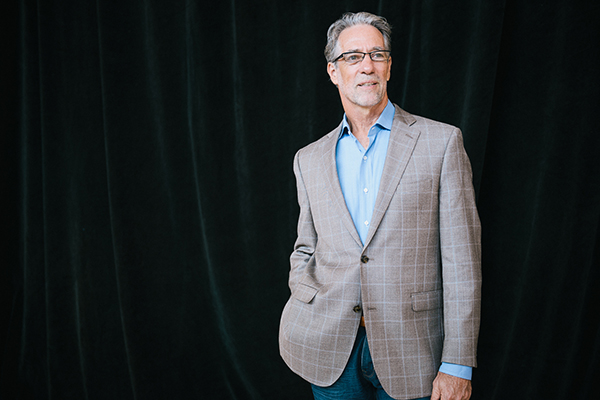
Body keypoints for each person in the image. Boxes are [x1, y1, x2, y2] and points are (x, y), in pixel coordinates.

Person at [279, 11, 481, 400]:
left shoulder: (441, 143)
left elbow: (462, 262)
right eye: (353, 57)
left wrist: (457, 363)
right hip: (328, 346)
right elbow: (305, 247)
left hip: (414, 350)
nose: (367, 66)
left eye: (377, 54)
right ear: (333, 71)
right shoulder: (309, 158)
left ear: (388, 66)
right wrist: (307, 291)